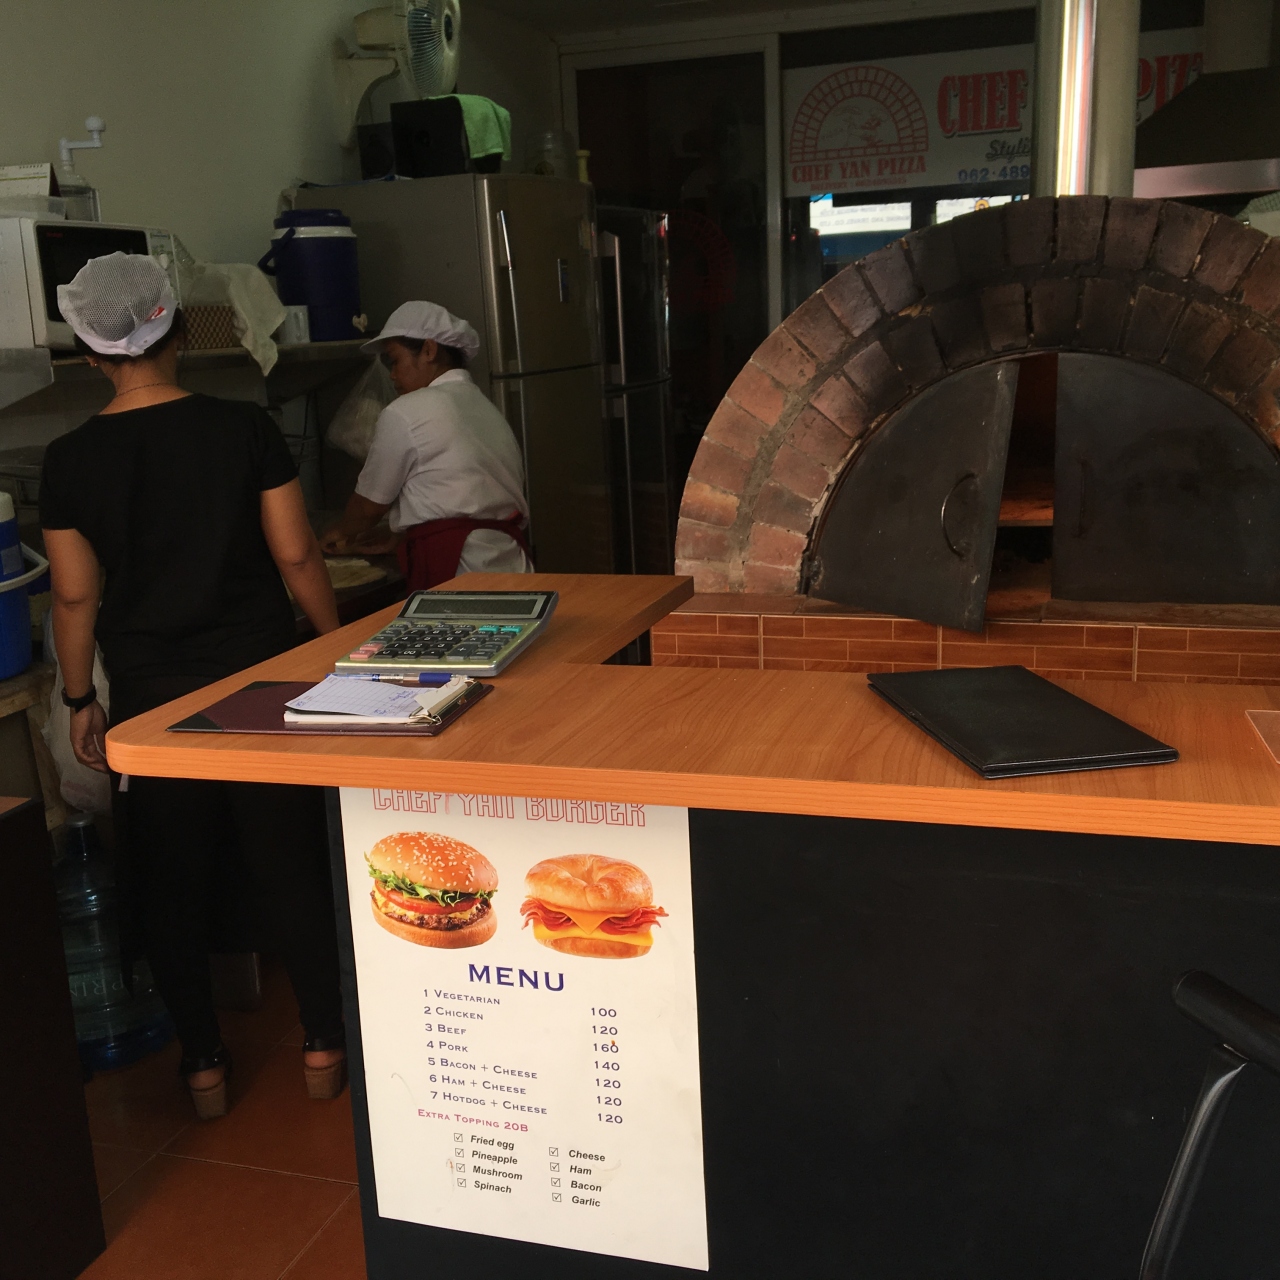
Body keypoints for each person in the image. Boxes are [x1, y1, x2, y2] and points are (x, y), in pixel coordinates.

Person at [39, 252, 346, 1119]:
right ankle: (323, 1045)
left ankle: (204, 1066)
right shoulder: (243, 427)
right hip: (262, 684)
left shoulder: (68, 459)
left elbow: (74, 596)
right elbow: (297, 554)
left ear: (90, 353)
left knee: (170, 878)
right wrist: (337, 646)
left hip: (154, 699)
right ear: (176, 327)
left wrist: (79, 699)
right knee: (287, 864)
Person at [320, 300, 533, 588]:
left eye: (395, 361)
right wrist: (400, 535)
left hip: (459, 567)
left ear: (429, 350)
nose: (392, 374)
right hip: (510, 563)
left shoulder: (406, 410)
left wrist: (341, 532)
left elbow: (368, 507)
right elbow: (465, 497)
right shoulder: (483, 406)